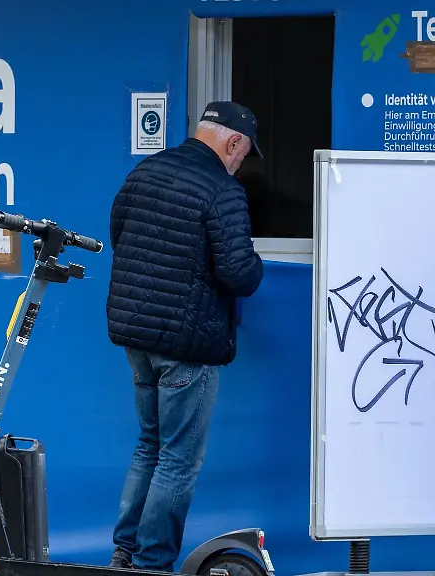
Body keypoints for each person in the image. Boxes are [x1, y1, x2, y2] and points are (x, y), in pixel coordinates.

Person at [104, 101, 265, 572]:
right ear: (233, 143)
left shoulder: (144, 172)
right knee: (177, 459)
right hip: (186, 346)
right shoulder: (222, 189)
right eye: (244, 154)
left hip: (138, 339)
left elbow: (120, 236)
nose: (240, 164)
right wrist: (255, 268)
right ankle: (153, 565)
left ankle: (125, 553)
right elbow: (240, 273)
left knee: (149, 445)